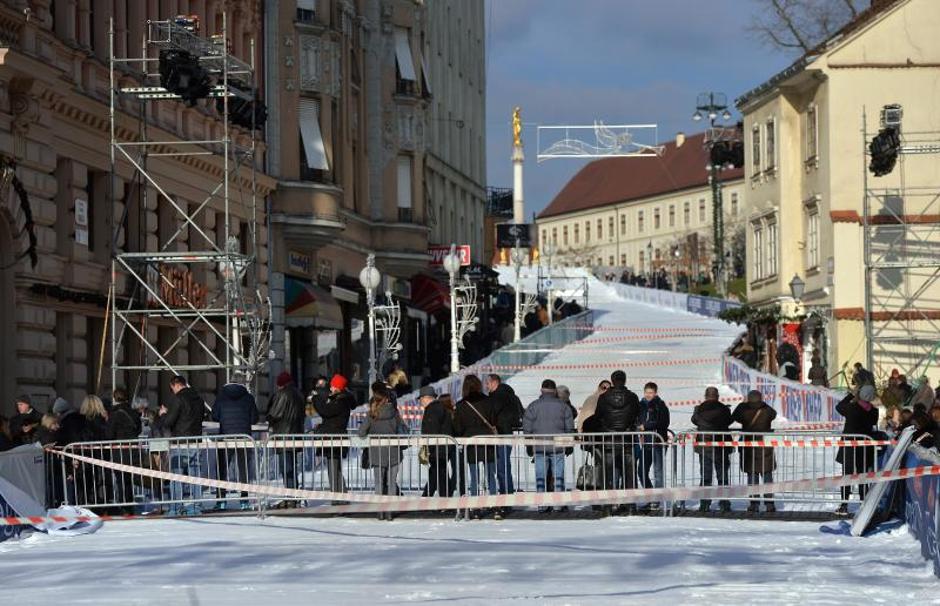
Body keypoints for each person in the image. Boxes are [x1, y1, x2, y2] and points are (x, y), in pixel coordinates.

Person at [523, 379, 574, 513]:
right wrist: (569, 444)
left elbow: (527, 427)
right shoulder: (563, 406)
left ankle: (542, 504)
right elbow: (569, 427)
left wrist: (528, 444)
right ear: (555, 391)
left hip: (539, 446)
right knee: (558, 475)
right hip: (558, 446)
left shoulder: (533, 406)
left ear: (541, 390)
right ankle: (558, 503)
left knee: (541, 475)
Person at [358, 388, 409, 520]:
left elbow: (361, 433)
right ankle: (390, 511)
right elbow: (403, 430)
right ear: (387, 399)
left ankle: (380, 511)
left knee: (379, 482)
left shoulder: (372, 414)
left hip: (377, 452)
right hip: (394, 451)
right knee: (391, 482)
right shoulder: (394, 412)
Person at [211, 373, 260, 511]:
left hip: (225, 437)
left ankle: (221, 500)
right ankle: (244, 500)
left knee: (222, 469)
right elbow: (254, 418)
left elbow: (214, 415)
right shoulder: (248, 398)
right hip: (244, 438)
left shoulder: (221, 397)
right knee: (243, 469)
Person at [594, 370, 640, 513]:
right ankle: (630, 504)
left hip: (608, 439)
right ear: (625, 381)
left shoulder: (603, 397)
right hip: (627, 439)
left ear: (612, 381)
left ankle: (608, 504)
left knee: (607, 474)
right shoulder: (632, 397)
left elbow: (598, 416)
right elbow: (636, 415)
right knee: (629, 474)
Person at [161, 376, 207, 516]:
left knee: (177, 475)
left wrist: (163, 414)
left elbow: (169, 422)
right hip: (195, 440)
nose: (172, 391)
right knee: (195, 474)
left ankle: (176, 506)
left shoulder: (178, 399)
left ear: (176, 385)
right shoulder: (199, 399)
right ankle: (197, 505)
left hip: (180, 441)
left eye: (172, 388)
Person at [454, 375, 498, 517]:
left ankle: (474, 505)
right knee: (490, 474)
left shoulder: (461, 405)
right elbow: (493, 419)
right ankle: (494, 503)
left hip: (470, 442)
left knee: (474, 476)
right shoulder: (488, 401)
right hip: (487, 440)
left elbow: (458, 427)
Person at [835, 384, 879, 515]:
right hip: (865, 447)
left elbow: (839, 407)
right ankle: (863, 503)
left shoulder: (852, 408)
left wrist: (851, 395)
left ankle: (844, 504)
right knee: (863, 475)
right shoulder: (874, 411)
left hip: (849, 446)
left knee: (847, 475)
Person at [732, 390, 778, 513]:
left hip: (749, 448)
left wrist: (743, 404)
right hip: (765, 447)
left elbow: (734, 416)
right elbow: (774, 414)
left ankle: (754, 504)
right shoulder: (766, 410)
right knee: (767, 476)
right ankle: (769, 505)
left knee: (752, 477)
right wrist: (762, 404)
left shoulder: (744, 410)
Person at [313, 374, 357, 497]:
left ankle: (338, 499)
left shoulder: (341, 401)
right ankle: (340, 497)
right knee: (335, 470)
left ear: (337, 387)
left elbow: (326, 411)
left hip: (335, 439)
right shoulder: (340, 399)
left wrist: (316, 399)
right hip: (334, 438)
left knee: (334, 472)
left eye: (332, 386)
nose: (330, 388)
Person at [691, 386, 733, 513]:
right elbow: (729, 421)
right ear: (717, 396)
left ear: (705, 396)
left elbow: (694, 420)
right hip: (721, 446)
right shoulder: (724, 409)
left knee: (705, 476)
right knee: (723, 476)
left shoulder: (699, 409)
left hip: (705, 447)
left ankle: (704, 503)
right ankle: (724, 503)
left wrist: (697, 410)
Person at [267, 371, 306, 506]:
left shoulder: (282, 394)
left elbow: (274, 414)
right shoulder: (299, 394)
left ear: (281, 384)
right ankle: (294, 496)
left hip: (284, 436)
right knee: (293, 468)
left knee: (286, 468)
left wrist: (269, 419)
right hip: (296, 435)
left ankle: (291, 497)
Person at [485, 374, 523, 497]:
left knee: (501, 467)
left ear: (494, 382)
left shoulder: (497, 397)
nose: (486, 386)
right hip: (507, 434)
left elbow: (491, 414)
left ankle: (505, 494)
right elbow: (520, 413)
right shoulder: (512, 396)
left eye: (488, 383)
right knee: (504, 466)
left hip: (500, 434)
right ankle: (508, 492)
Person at [106, 388, 142, 512]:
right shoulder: (133, 412)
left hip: (119, 450)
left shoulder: (114, 413)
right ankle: (130, 505)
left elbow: (109, 433)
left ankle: (123, 505)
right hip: (132, 449)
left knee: (120, 479)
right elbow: (139, 430)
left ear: (115, 398)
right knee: (128, 479)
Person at [637, 382, 670, 510]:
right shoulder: (640, 406)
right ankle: (650, 496)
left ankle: (657, 499)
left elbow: (663, 422)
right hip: (645, 443)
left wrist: (646, 426)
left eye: (651, 393)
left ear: (655, 393)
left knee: (658, 472)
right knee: (641, 471)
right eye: (647, 392)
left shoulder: (660, 405)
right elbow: (637, 420)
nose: (648, 395)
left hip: (658, 442)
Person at [419, 385, 454, 499]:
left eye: (421, 398)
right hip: (443, 447)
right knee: (438, 473)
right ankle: (438, 498)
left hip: (437, 449)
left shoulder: (432, 410)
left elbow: (431, 432)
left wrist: (427, 449)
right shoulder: (440, 408)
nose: (420, 401)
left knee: (438, 473)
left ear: (426, 398)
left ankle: (430, 499)